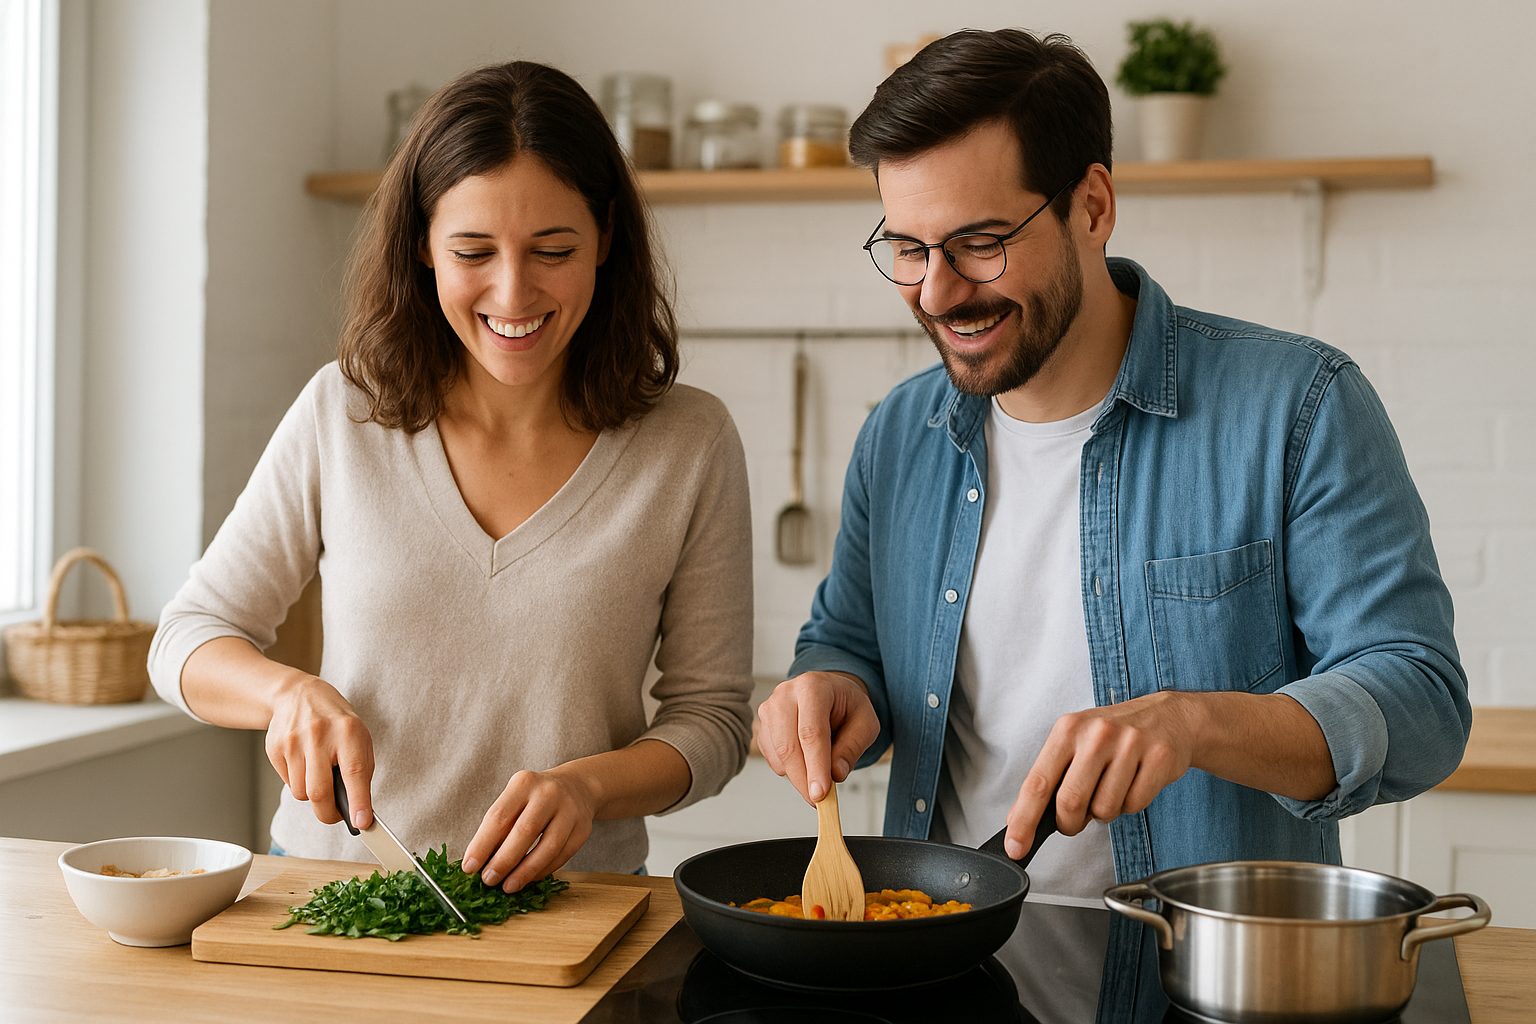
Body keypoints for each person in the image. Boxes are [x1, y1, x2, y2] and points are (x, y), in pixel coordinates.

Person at [754, 29, 1468, 1024]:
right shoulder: (897, 438)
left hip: (1207, 983)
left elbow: (1422, 702)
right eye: (908, 248)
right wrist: (830, 687)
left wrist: (1194, 722)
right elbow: (848, 646)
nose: (937, 290)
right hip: (950, 966)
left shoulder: (1299, 405)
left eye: (980, 242)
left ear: (1093, 205)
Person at [148, 61, 754, 895]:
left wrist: (589, 787)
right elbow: (187, 637)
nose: (514, 292)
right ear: (424, 247)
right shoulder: (342, 412)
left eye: (554, 250)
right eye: (473, 250)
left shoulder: (689, 442)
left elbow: (714, 720)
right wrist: (287, 694)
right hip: (335, 894)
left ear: (607, 238)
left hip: (575, 906)